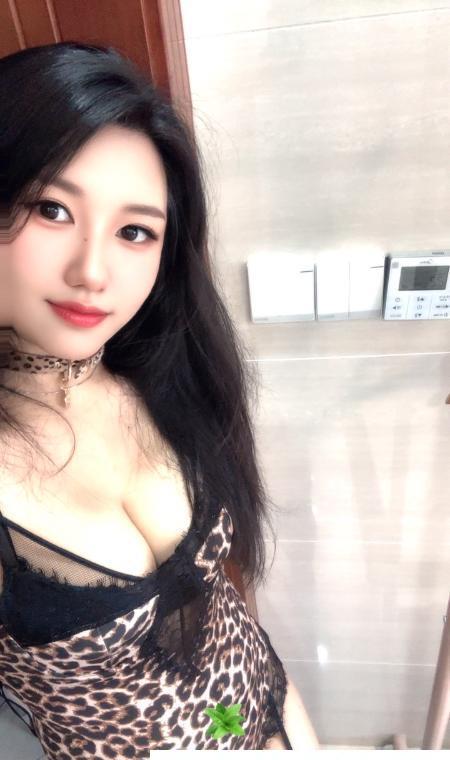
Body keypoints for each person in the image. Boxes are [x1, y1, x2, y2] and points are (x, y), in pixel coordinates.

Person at [0, 41, 319, 755]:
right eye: (52, 209)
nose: (93, 270)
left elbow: (218, 612)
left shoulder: (157, 376)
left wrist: (288, 734)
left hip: (254, 706)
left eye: (134, 231)